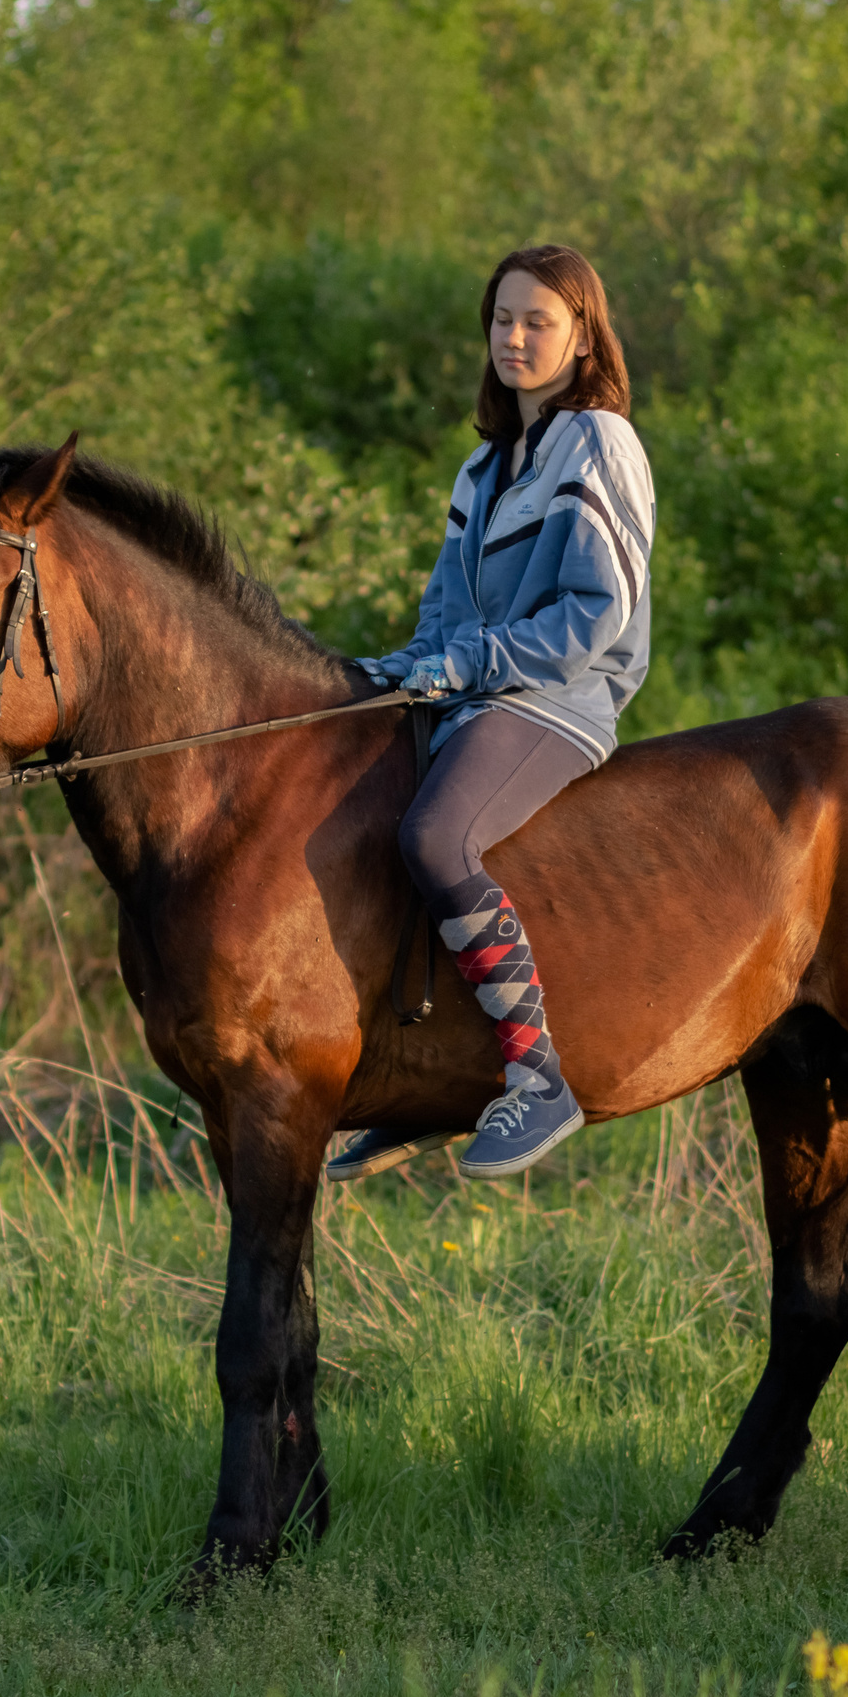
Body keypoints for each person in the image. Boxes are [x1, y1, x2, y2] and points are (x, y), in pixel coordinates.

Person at [328, 244, 655, 1184]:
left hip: (560, 697)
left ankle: (536, 1076)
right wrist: (378, 676)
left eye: (537, 321)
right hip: (478, 690)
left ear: (583, 336)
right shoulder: (481, 469)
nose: (514, 337)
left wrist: (466, 662)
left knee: (434, 837)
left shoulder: (600, 443)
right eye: (503, 319)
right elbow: (443, 611)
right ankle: (424, 1086)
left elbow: (597, 616)